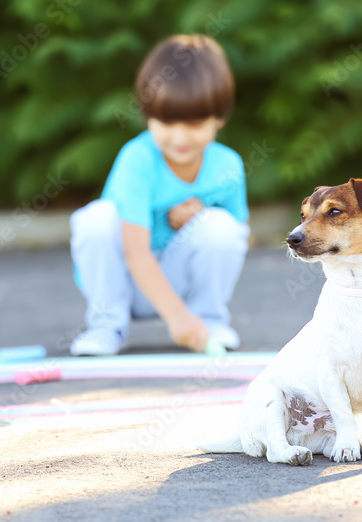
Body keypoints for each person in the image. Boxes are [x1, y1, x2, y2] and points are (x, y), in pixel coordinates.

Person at [69, 34, 250, 356]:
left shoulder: (228, 165)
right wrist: (177, 318)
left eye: (194, 123)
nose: (180, 137)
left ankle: (208, 322)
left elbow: (237, 236)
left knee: (221, 226)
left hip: (180, 280)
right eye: (167, 121)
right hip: (126, 283)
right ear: (148, 115)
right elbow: (135, 251)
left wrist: (201, 220)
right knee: (96, 218)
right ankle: (107, 325)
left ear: (219, 118)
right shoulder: (137, 159)